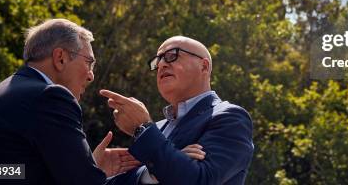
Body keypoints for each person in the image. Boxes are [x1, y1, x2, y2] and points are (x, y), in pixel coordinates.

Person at [0, 19, 141, 184]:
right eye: (88, 63)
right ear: (60, 58)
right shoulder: (50, 97)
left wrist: (87, 165)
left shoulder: (10, 92)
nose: (91, 75)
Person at [100, 36, 254, 185]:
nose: (161, 65)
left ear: (204, 66)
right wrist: (150, 174)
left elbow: (200, 180)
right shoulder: (156, 129)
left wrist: (142, 128)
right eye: (157, 61)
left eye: (171, 55)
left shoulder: (231, 117)